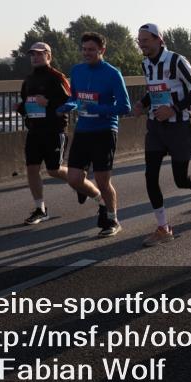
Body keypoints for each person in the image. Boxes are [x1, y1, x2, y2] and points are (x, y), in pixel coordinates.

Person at [132, 24, 191, 247]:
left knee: (181, 180)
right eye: (139, 40)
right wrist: (143, 102)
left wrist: (174, 109)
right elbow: (154, 90)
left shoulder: (177, 60)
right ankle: (163, 228)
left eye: (145, 40)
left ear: (159, 39)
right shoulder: (146, 63)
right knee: (150, 176)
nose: (141, 44)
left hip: (179, 127)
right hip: (156, 126)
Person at [16, 42, 100, 226]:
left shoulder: (57, 77)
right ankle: (40, 209)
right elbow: (28, 105)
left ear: (48, 56)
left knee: (53, 170)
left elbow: (72, 102)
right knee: (32, 169)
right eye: (32, 54)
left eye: (39, 54)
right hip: (34, 130)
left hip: (53, 130)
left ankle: (84, 186)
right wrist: (21, 108)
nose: (35, 57)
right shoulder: (29, 80)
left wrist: (50, 103)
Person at [56, 33, 131, 237]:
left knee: (102, 180)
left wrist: (99, 108)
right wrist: (66, 106)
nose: (86, 53)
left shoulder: (112, 73)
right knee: (73, 178)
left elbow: (125, 107)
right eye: (84, 49)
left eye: (91, 49)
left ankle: (113, 219)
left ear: (102, 51)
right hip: (83, 129)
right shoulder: (77, 71)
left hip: (105, 130)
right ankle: (99, 200)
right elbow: (75, 98)